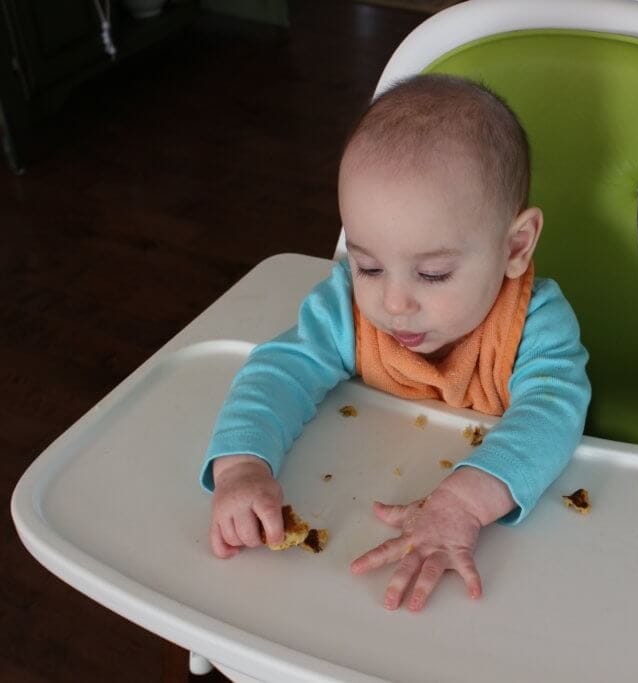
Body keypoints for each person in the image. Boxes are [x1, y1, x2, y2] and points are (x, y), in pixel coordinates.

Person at [200, 74, 590, 611]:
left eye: (431, 273)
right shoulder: (345, 311)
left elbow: (554, 411)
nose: (393, 302)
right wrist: (242, 466)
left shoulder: (534, 323)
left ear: (516, 246)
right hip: (351, 531)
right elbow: (279, 372)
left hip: (489, 566)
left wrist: (466, 501)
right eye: (369, 265)